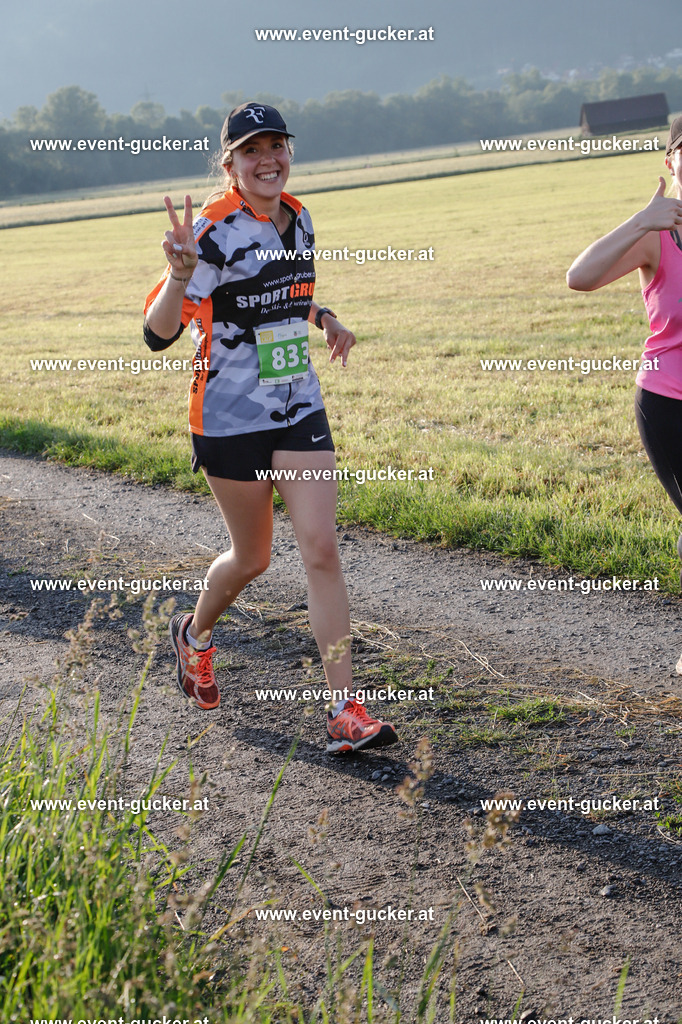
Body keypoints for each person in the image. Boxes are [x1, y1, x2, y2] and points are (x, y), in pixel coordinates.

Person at [143, 102, 398, 751]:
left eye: (276, 146)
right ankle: (194, 635)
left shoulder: (301, 216)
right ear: (228, 163)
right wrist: (178, 276)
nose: (268, 160)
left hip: (298, 407)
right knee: (252, 557)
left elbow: (285, 288)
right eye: (252, 150)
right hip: (229, 419)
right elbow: (157, 332)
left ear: (290, 152)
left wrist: (326, 318)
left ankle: (345, 709)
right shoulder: (213, 228)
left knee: (320, 548)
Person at [567, 115, 682, 670]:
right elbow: (580, 277)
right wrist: (640, 220)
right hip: (669, 404)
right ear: (670, 163)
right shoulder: (658, 238)